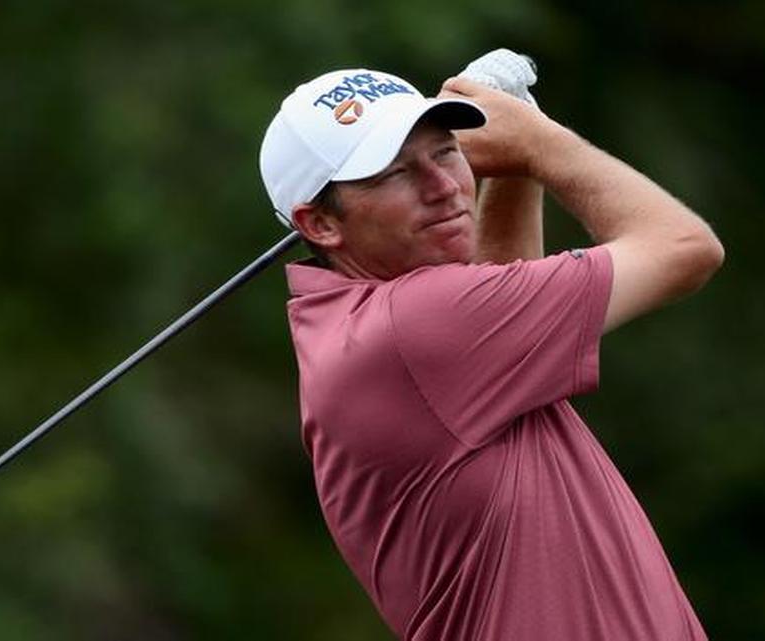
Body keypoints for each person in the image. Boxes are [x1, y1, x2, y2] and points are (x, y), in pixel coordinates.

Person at [258, 65, 724, 640]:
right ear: (321, 223)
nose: (445, 185)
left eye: (447, 152)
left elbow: (499, 293)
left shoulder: (371, 330)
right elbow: (685, 247)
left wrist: (513, 171)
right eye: (397, 174)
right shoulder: (416, 327)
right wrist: (536, 143)